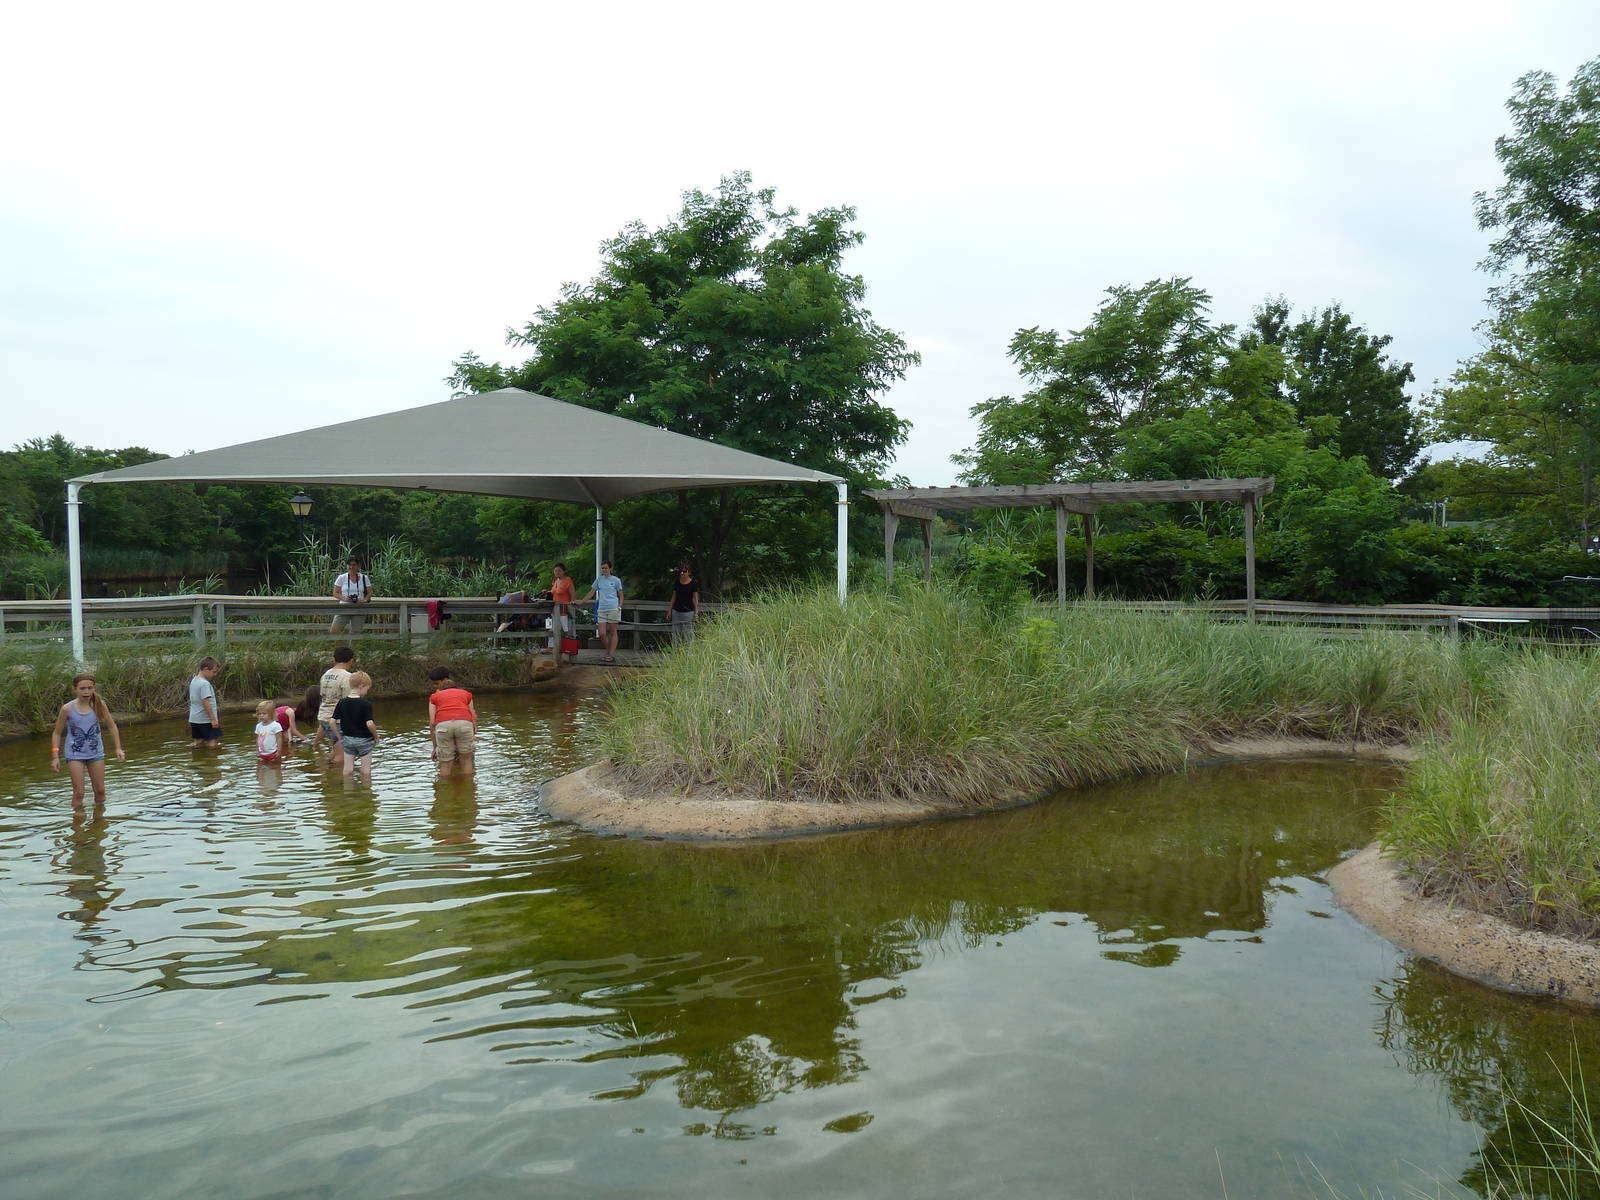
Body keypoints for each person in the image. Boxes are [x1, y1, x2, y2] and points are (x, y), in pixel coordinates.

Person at [50, 673, 125, 809]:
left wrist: (118, 748)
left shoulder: (99, 705)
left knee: (100, 790)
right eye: (82, 688)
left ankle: (99, 823)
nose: (86, 692)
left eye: (90, 688)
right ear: (74, 689)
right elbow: (56, 733)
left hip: (95, 752)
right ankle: (77, 823)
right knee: (79, 793)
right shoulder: (67, 709)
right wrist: (55, 756)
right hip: (74, 754)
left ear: (94, 688)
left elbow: (112, 726)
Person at [427, 666, 478, 778]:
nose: (435, 686)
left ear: (444, 680)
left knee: (445, 765)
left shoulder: (435, 697)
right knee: (467, 762)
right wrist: (473, 735)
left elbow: (432, 723)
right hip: (464, 729)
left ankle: (445, 791)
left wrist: (435, 747)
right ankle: (469, 791)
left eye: (436, 683)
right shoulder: (464, 694)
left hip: (443, 732)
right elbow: (472, 716)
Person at [331, 671, 379, 779]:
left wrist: (339, 737)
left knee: (347, 770)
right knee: (366, 771)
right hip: (365, 741)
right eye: (367, 689)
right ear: (361, 686)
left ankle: (348, 791)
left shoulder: (342, 702)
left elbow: (332, 721)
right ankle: (366, 792)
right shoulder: (366, 704)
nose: (366, 692)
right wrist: (376, 736)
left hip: (348, 740)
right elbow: (370, 724)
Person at [316, 647, 356, 770]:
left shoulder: (326, 674)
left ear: (334, 660)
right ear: (351, 661)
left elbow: (322, 695)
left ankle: (327, 770)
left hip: (323, 717)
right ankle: (337, 780)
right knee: (342, 756)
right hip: (337, 720)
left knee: (335, 748)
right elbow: (349, 701)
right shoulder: (348, 677)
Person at [580, 561, 625, 664]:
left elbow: (621, 595)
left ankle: (611, 654)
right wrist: (581, 601)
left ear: (610, 569)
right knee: (602, 633)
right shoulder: (599, 580)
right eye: (602, 568)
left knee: (613, 631)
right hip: (602, 609)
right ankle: (609, 651)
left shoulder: (616, 580)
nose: (604, 570)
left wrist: (619, 606)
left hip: (613, 608)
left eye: (605, 568)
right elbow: (591, 592)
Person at [329, 557, 373, 633]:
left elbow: (370, 592)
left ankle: (353, 645)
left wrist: (364, 600)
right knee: (334, 630)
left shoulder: (364, 578)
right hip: (344, 606)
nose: (351, 567)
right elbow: (335, 593)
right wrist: (344, 598)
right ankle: (336, 644)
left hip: (359, 607)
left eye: (354, 565)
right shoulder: (342, 577)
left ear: (358, 566)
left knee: (356, 632)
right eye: (349, 565)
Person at [188, 656, 223, 750]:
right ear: (206, 669)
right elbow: (205, 702)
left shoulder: (194, 680)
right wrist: (213, 719)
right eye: (214, 672)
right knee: (213, 744)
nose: (215, 674)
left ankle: (198, 759)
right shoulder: (204, 684)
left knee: (198, 742)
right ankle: (211, 761)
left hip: (194, 719)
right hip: (206, 720)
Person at [668, 561, 701, 645]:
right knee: (676, 635)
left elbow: (695, 599)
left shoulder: (693, 583)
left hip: (688, 612)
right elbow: (674, 597)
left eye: (684, 571)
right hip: (676, 611)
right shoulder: (677, 582)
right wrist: (669, 611)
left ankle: (689, 654)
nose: (682, 573)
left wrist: (696, 613)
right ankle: (676, 654)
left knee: (688, 635)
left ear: (689, 572)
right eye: (680, 571)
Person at [549, 563, 576, 661]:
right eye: (555, 570)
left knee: (566, 631)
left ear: (563, 571)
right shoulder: (555, 581)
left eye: (559, 570)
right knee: (553, 630)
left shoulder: (568, 581)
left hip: (564, 610)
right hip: (555, 610)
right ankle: (555, 651)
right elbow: (553, 593)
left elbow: (573, 596)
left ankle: (567, 652)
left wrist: (571, 606)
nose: (557, 572)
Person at [253, 700, 286, 765]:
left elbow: (279, 739)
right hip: (262, 753)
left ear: (271, 714)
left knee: (275, 767)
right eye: (259, 714)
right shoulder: (258, 726)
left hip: (273, 753)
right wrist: (257, 750)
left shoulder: (275, 725)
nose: (261, 716)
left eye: (264, 714)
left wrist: (279, 752)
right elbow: (257, 739)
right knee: (262, 769)